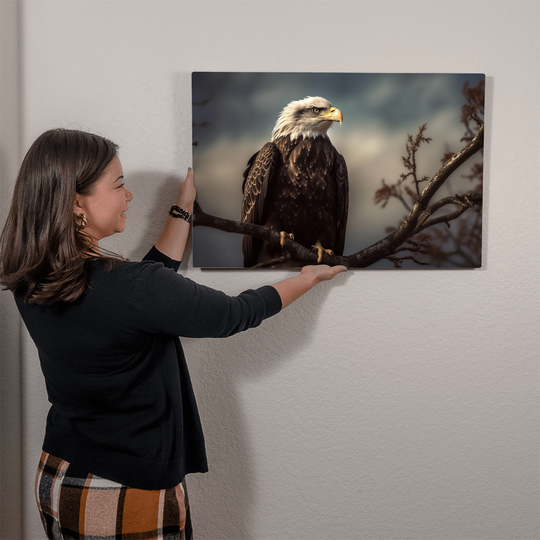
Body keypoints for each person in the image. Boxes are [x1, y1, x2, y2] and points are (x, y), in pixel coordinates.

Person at [0, 128, 345, 539]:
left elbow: (140, 296)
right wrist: (305, 280)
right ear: (77, 203)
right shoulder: (130, 289)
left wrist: (183, 210)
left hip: (59, 473)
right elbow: (232, 314)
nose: (128, 196)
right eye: (120, 185)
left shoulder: (31, 277)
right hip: (123, 491)